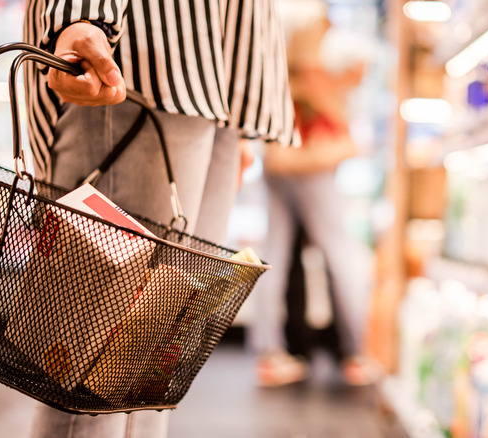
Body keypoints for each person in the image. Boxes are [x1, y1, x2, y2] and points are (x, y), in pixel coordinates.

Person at [23, 0, 295, 436]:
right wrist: (78, 17)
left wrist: (237, 107)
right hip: (136, 60)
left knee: (152, 377)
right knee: (86, 383)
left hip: (217, 73)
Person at [248, 9, 380, 387]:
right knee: (341, 253)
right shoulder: (317, 65)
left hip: (279, 159)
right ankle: (357, 352)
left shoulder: (286, 63)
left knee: (273, 252)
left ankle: (269, 352)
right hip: (310, 165)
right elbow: (340, 132)